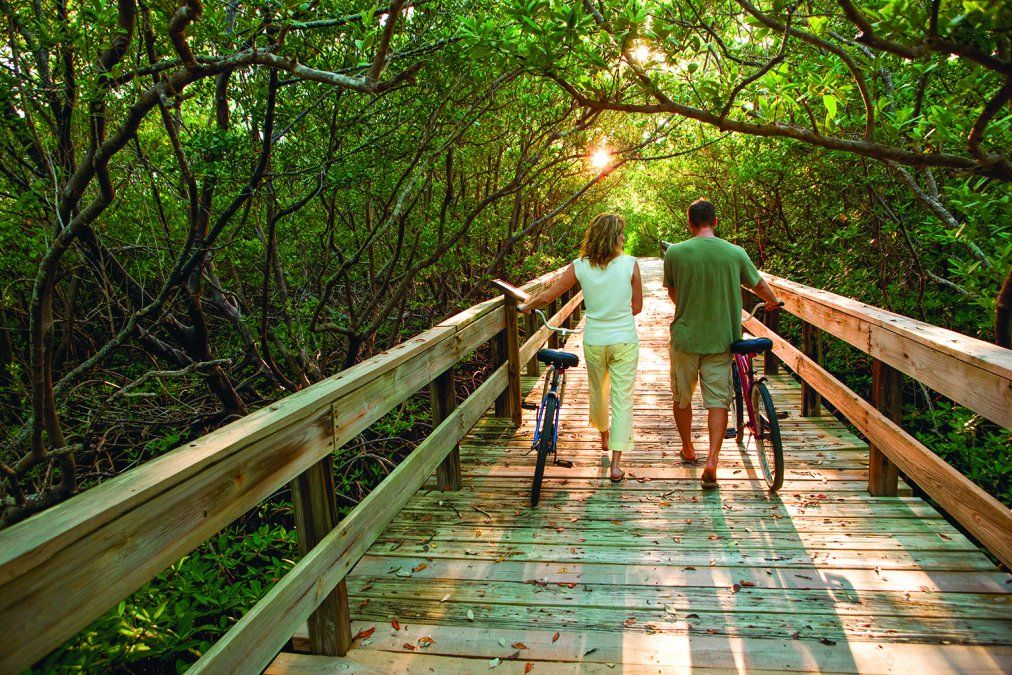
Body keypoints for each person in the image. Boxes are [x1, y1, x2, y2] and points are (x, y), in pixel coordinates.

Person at [663, 199, 782, 489]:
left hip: (686, 339)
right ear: (715, 222)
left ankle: (689, 449)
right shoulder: (735, 253)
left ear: (690, 223)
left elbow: (674, 293)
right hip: (722, 339)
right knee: (718, 400)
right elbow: (758, 284)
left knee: (682, 397)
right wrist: (772, 301)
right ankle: (713, 460)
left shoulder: (675, 253)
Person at [523, 213, 642, 482]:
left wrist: (528, 304)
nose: (624, 237)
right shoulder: (630, 265)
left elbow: (549, 294)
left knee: (599, 391)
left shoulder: (579, 266)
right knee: (622, 400)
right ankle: (615, 465)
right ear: (613, 237)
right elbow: (638, 307)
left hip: (595, 339)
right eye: (621, 233)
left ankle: (604, 436)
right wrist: (617, 313)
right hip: (623, 339)